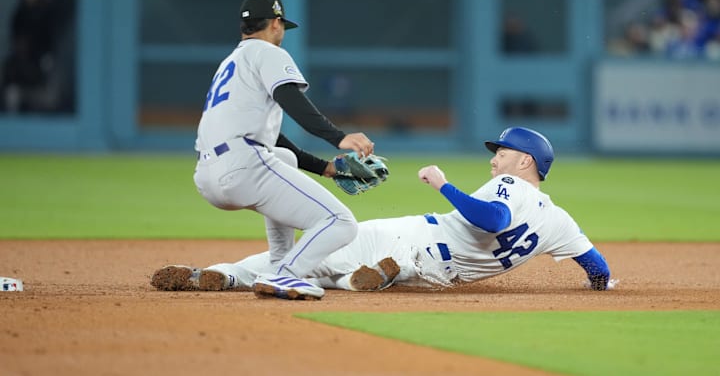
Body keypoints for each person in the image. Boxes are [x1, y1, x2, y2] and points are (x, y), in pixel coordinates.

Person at [153, 127, 615, 295]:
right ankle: (369, 279)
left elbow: (493, 219)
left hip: (417, 239)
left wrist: (444, 184)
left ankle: (222, 275)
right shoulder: (559, 220)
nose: (495, 158)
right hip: (439, 270)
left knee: (314, 251)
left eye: (503, 151)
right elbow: (596, 266)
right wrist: (600, 286)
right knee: (327, 267)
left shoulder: (509, 183)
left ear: (525, 162)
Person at [151, 0, 376, 301]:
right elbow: (292, 100)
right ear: (274, 23)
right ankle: (288, 274)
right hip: (244, 165)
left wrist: (325, 168)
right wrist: (338, 137)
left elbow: (271, 138)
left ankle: (277, 262)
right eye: (282, 26)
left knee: (282, 156)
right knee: (341, 223)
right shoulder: (267, 53)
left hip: (208, 174)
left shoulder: (231, 63)